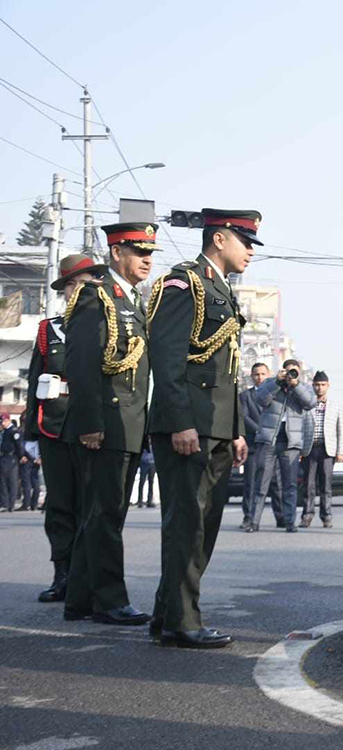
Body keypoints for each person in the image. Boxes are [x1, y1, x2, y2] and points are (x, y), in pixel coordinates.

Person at [147, 208, 256, 648]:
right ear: (219, 240)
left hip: (216, 427)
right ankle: (184, 622)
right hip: (189, 425)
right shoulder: (183, 283)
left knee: (202, 524)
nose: (250, 251)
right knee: (187, 524)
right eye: (245, 241)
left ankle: (168, 614)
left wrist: (236, 428)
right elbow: (167, 358)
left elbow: (228, 370)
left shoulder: (221, 289)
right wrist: (180, 422)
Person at [63, 222, 157, 627]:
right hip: (106, 422)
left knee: (104, 513)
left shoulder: (131, 299)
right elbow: (82, 365)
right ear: (117, 253)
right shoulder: (95, 297)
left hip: (128, 422)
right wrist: (90, 422)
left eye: (150, 253)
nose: (147, 260)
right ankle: (109, 600)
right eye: (139, 252)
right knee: (105, 514)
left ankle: (79, 598)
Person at [27, 253, 104, 602]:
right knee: (60, 503)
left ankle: (89, 576)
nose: (85, 292)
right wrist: (31, 433)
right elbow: (34, 381)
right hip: (55, 424)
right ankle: (63, 573)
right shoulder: (49, 329)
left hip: (93, 426)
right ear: (68, 289)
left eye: (91, 284)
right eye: (79, 285)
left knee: (91, 502)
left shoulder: (109, 325)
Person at [250, 358, 316, 533]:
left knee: (290, 485)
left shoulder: (304, 387)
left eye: (295, 372)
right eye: (289, 371)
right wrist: (277, 383)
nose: (291, 374)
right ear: (283, 370)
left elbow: (310, 403)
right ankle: (253, 522)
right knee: (261, 483)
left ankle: (289, 522)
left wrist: (295, 386)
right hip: (269, 439)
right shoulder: (271, 383)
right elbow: (260, 399)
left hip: (291, 442)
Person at [240, 363, 282, 530]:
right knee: (251, 483)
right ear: (252, 376)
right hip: (254, 445)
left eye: (263, 374)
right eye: (256, 374)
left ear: (268, 375)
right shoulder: (245, 396)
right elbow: (244, 416)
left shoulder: (276, 394)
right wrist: (260, 430)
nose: (260, 377)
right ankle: (248, 517)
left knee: (276, 483)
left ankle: (281, 517)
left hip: (273, 444)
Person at [301, 370, 343, 528]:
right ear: (313, 386)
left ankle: (326, 516)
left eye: (323, 385)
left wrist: (340, 452)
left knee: (326, 486)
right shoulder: (306, 405)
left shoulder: (335, 407)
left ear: (328, 386)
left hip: (328, 451)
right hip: (309, 450)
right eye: (317, 385)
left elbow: (340, 430)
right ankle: (307, 515)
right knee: (308, 485)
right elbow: (300, 429)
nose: (320, 388)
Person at [0, 413, 21, 512]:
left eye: (4, 421)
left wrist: (21, 456)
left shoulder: (13, 431)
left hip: (10, 457)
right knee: (6, 481)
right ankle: (7, 504)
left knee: (7, 481)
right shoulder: (7, 431)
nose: (2, 423)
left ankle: (7, 504)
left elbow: (19, 445)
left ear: (8, 420)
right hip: (5, 456)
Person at [19, 435, 41, 511]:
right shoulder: (39, 439)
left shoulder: (25, 438)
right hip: (37, 462)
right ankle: (34, 504)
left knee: (26, 484)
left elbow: (23, 449)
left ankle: (26, 504)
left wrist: (31, 459)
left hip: (28, 462)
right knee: (35, 483)